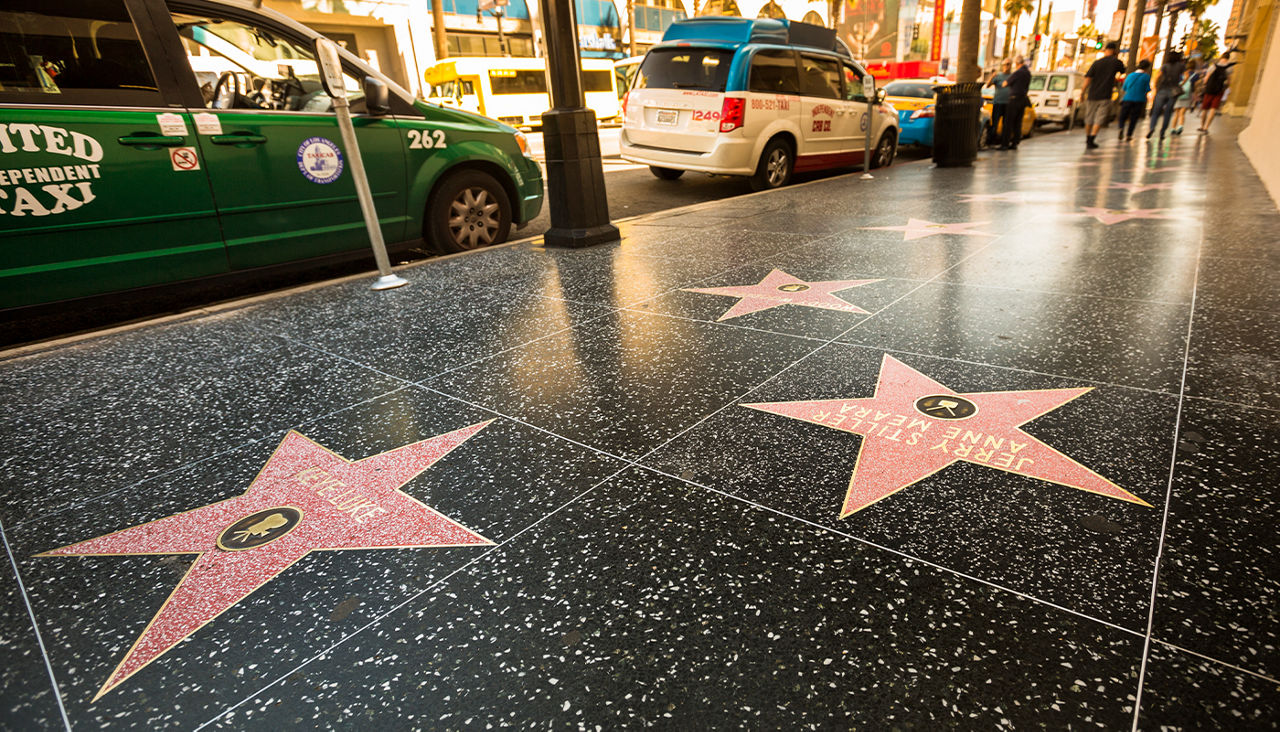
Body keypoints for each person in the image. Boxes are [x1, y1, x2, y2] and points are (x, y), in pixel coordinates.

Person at [1081, 41, 1126, 149]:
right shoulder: (1116, 62)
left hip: (1093, 94)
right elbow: (1123, 72)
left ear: (1106, 50)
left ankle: (1088, 138)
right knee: (1099, 118)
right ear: (1115, 51)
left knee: (1089, 117)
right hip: (1105, 94)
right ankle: (1092, 138)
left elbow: (1088, 78)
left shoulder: (1096, 63)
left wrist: (1082, 92)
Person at [1199, 50, 1240, 132]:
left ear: (1221, 57)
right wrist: (1226, 88)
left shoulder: (1213, 66)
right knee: (1213, 108)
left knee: (1205, 109)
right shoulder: (1229, 68)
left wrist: (1204, 85)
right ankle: (1207, 127)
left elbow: (1206, 79)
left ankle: (1202, 126)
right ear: (1228, 58)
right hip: (1219, 90)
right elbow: (1228, 81)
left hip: (1209, 89)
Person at [1148, 51, 1185, 139]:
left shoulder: (1165, 66)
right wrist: (1181, 84)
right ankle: (1162, 132)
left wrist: (1154, 88)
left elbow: (1157, 77)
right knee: (1168, 113)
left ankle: (1152, 128)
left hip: (1162, 90)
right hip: (1173, 91)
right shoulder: (1181, 66)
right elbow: (1186, 76)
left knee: (1156, 111)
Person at [1001, 55, 1031, 150]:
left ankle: (1005, 144)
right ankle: (1015, 142)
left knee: (1008, 122)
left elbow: (1005, 84)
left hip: (1014, 99)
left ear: (1017, 64)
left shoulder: (1018, 73)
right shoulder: (1028, 73)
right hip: (1023, 99)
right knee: (1018, 122)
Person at [1118, 59, 1151, 141]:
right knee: (1134, 117)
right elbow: (1147, 89)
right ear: (1147, 68)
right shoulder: (1146, 77)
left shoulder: (1130, 75)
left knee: (1123, 115)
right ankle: (1129, 134)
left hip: (1128, 98)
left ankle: (1121, 127)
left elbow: (1125, 87)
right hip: (1139, 99)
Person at [983, 58, 1013, 146]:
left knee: (1006, 124)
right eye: (1006, 64)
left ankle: (1003, 143)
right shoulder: (998, 76)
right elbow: (987, 85)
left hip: (1008, 104)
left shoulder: (1012, 76)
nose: (1007, 66)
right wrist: (992, 76)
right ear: (1002, 66)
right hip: (998, 103)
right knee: (994, 123)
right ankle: (991, 142)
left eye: (1009, 64)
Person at [1171, 59, 1198, 134]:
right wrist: (1195, 96)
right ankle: (1180, 126)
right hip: (1187, 94)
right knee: (1182, 113)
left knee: (1176, 113)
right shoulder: (1195, 75)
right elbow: (1195, 87)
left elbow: (1177, 83)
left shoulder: (1181, 74)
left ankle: (1173, 128)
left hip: (1179, 93)